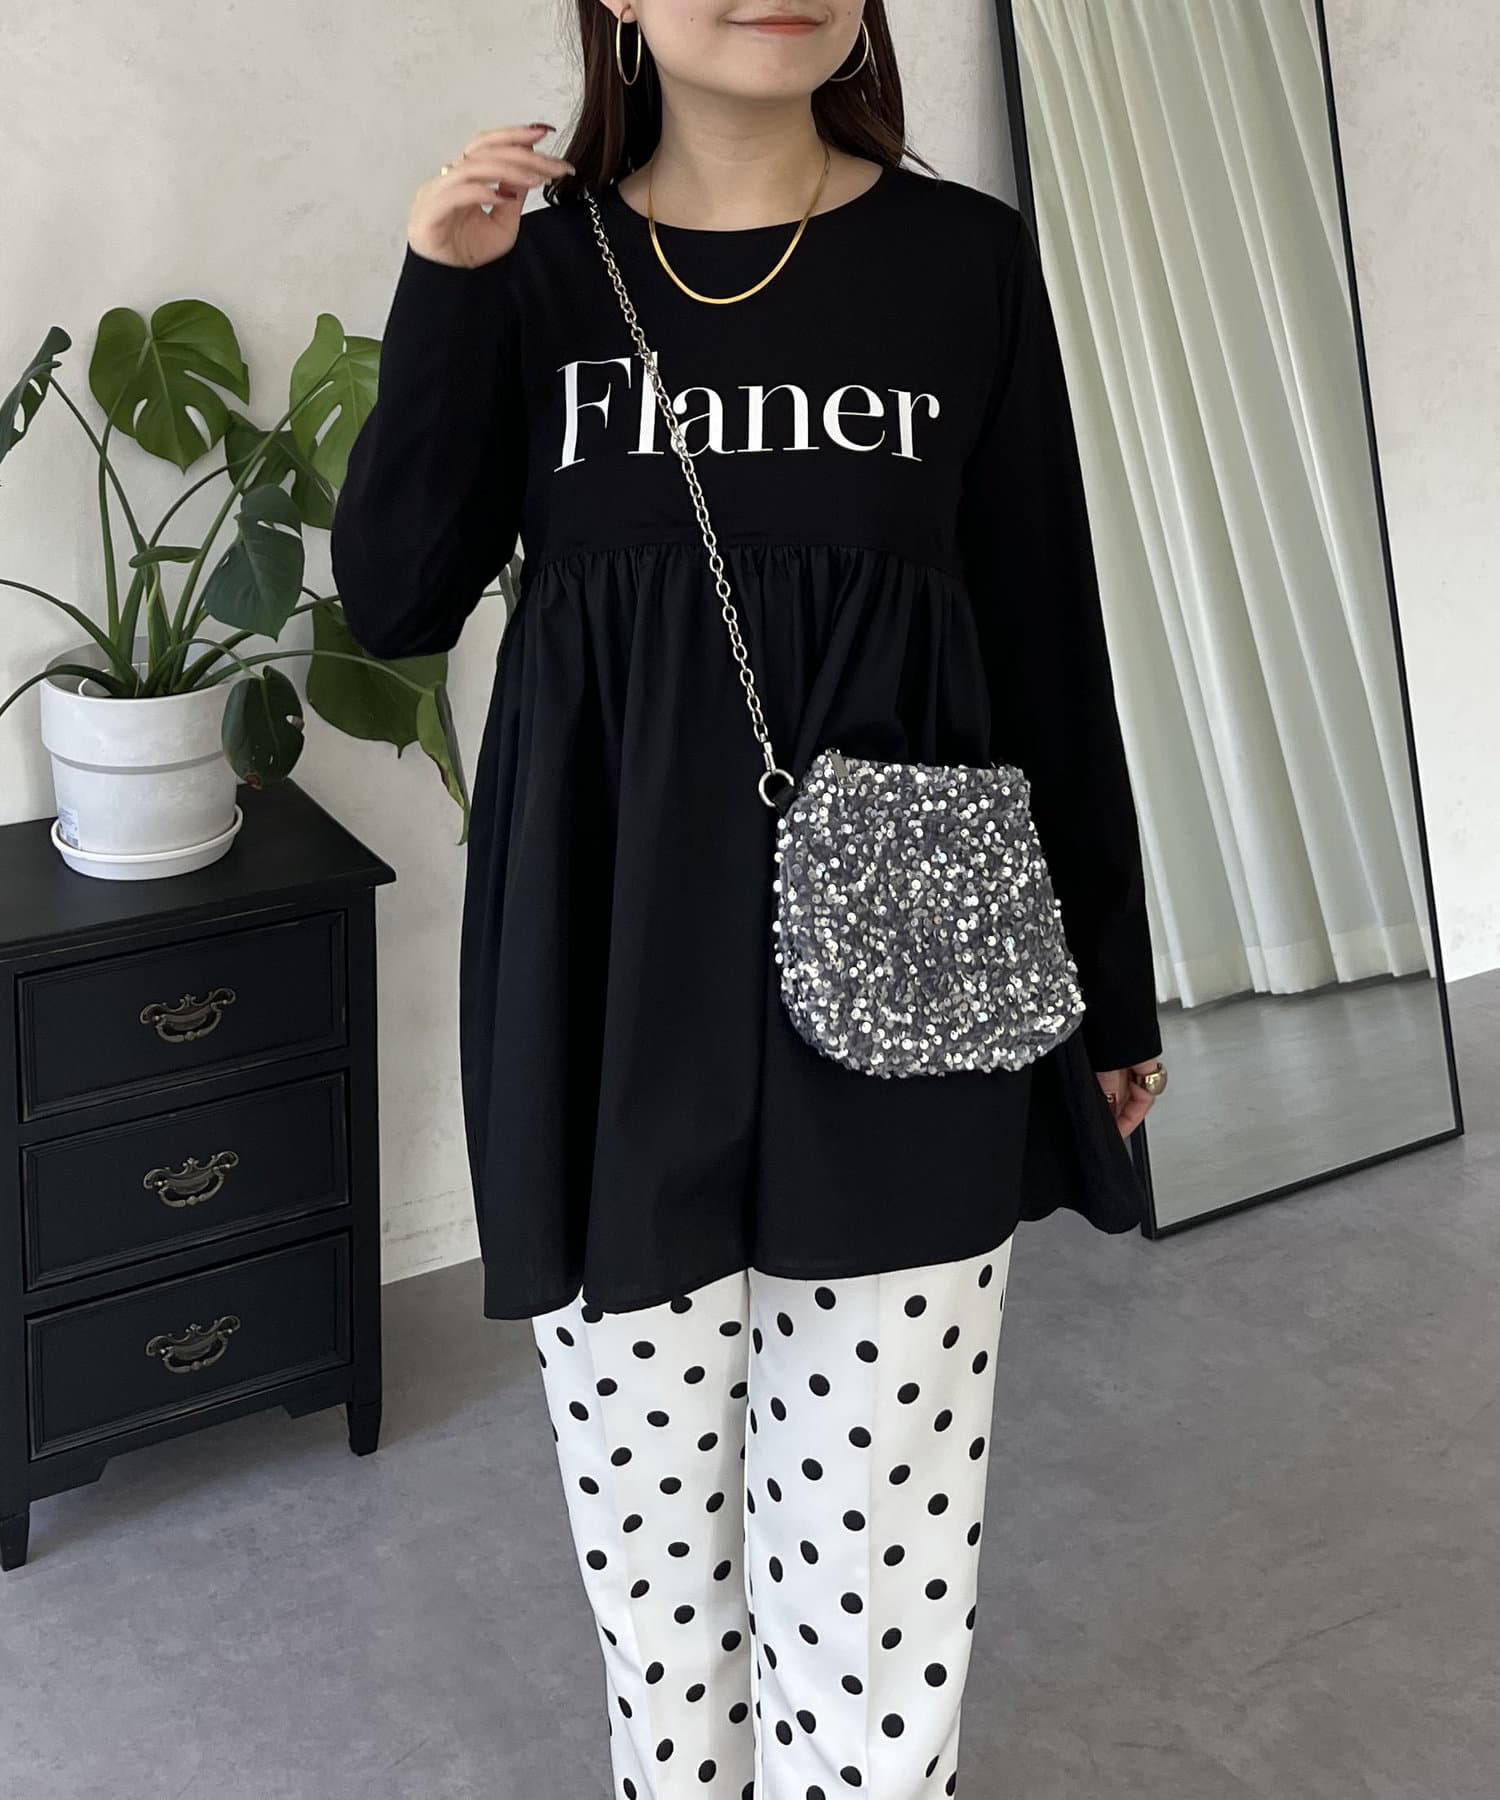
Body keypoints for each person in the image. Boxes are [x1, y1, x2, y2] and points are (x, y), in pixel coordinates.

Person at [331, 3, 1168, 1794]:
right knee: (655, 1573)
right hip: (608, 978)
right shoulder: (530, 269)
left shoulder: (962, 263)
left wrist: (1109, 987)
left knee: (881, 1576)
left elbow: (1045, 632)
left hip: (915, 976)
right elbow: (395, 602)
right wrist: (444, 294)